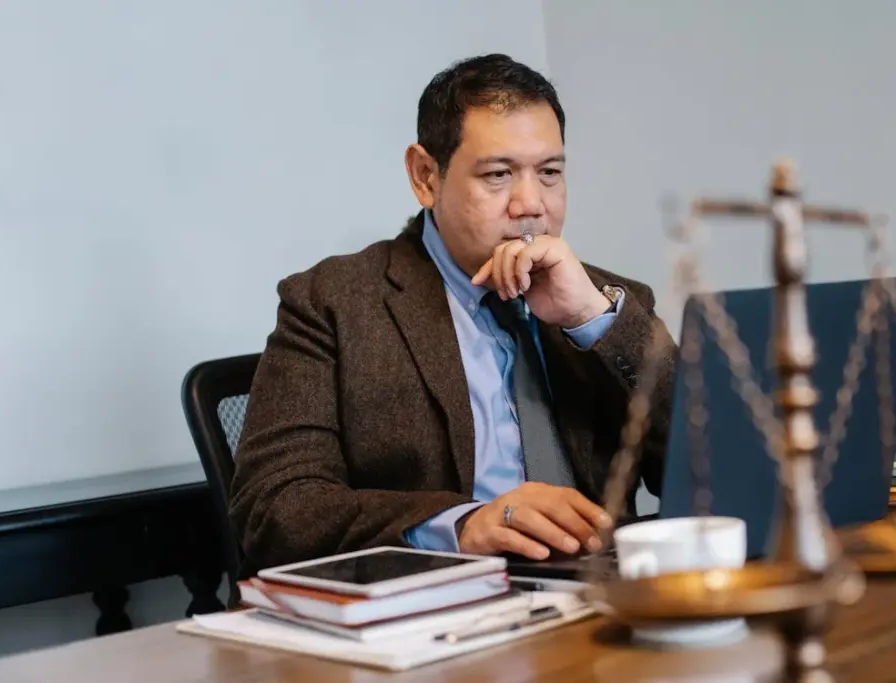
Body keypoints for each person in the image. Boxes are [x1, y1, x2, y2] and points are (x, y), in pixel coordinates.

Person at [229, 53, 677, 574]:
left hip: (601, 595)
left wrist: (594, 321)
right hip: (441, 609)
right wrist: (461, 525)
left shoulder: (611, 302)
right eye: (498, 174)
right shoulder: (333, 303)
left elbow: (720, 468)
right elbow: (274, 508)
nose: (531, 204)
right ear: (425, 176)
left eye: (550, 173)